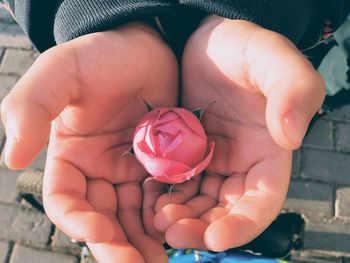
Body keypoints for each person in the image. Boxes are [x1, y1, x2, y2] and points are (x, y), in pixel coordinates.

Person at [1, 1, 349, 262]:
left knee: (288, 110)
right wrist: (88, 12)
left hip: (261, 71)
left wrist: (256, 11)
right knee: (282, 119)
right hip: (264, 53)